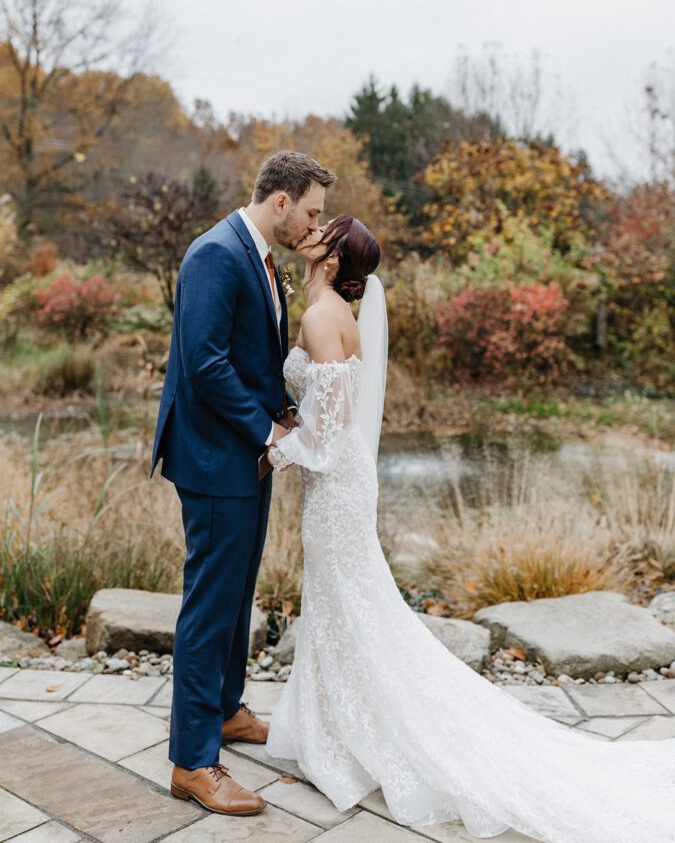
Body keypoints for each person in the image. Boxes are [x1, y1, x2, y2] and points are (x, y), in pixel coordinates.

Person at [264, 213, 675, 843]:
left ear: (331, 257)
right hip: (340, 486)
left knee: (346, 607)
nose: (311, 230)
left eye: (324, 230)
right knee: (344, 608)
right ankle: (337, 731)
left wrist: (273, 450)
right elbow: (326, 411)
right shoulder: (327, 313)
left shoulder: (322, 319)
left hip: (336, 491)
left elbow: (330, 430)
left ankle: (357, 741)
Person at [150, 150, 336, 816]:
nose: (314, 223)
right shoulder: (214, 254)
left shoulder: (258, 257)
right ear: (280, 201)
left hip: (244, 457)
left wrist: (279, 417)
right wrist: (269, 430)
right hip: (213, 459)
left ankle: (226, 709)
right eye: (311, 210)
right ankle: (193, 761)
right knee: (209, 606)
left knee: (236, 594)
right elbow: (203, 362)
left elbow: (250, 356)